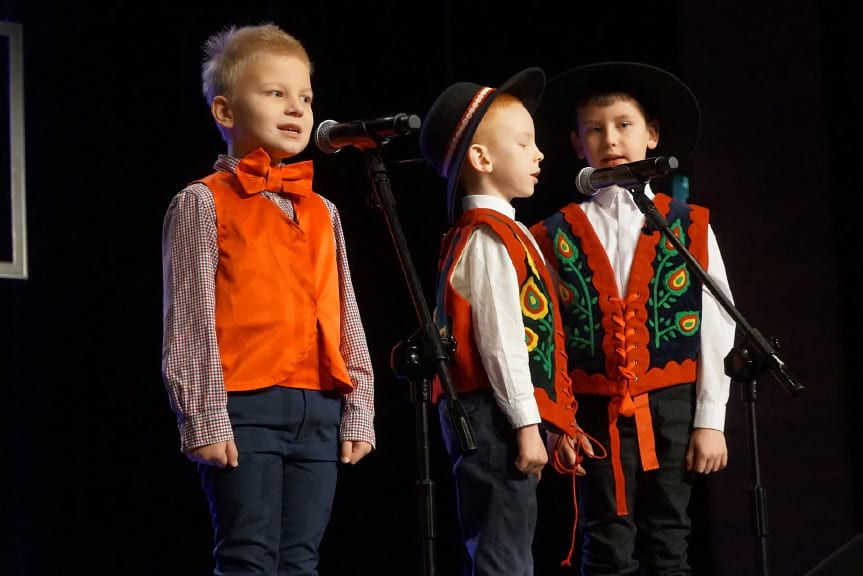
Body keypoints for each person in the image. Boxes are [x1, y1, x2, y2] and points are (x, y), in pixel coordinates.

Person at [160, 23, 375, 576]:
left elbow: (344, 309)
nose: (296, 109)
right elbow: (188, 321)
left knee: (301, 560)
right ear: (226, 112)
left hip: (320, 405)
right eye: (275, 93)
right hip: (246, 406)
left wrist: (360, 407)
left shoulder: (323, 210)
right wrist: (203, 416)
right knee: (248, 556)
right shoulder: (203, 204)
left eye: (304, 96)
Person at [528, 61, 737, 575]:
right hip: (593, 411)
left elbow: (717, 324)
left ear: (651, 135)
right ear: (577, 144)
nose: (610, 139)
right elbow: (541, 334)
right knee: (606, 543)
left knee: (670, 539)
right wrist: (557, 422)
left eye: (623, 125)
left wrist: (711, 419)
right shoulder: (551, 235)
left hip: (671, 405)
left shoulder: (689, 226)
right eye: (594, 129)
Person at [417, 67, 593, 576]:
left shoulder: (503, 234)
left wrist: (547, 422)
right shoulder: (488, 238)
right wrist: (525, 426)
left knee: (510, 544)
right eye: (524, 143)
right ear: (482, 158)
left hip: (497, 416)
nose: (539, 155)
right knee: (502, 552)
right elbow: (501, 344)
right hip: (490, 417)